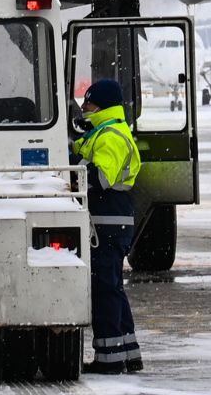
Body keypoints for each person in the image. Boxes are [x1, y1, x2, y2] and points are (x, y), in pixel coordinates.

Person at [73, 78, 142, 374]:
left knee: (103, 290)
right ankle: (128, 353)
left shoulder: (111, 135)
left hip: (108, 221)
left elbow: (100, 177)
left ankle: (109, 359)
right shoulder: (104, 132)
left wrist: (72, 166)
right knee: (113, 288)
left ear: (101, 105)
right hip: (113, 220)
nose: (84, 107)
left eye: (88, 103)